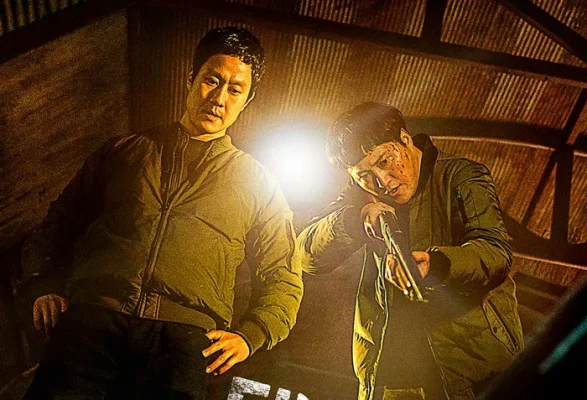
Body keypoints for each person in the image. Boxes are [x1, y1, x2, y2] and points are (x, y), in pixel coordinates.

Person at [20, 27, 303, 399]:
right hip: (91, 324)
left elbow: (283, 274)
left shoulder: (259, 183)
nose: (219, 99)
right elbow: (59, 223)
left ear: (247, 100)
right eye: (211, 81)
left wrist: (250, 335)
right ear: (191, 78)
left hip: (182, 344)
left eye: (235, 90)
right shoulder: (124, 152)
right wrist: (43, 286)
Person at [296, 102, 523, 400]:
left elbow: (494, 253)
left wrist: (437, 264)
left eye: (385, 161)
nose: (382, 181)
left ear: (405, 139)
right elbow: (305, 254)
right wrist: (354, 220)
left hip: (473, 369)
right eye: (364, 175)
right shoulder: (360, 195)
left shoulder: (461, 175)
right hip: (393, 380)